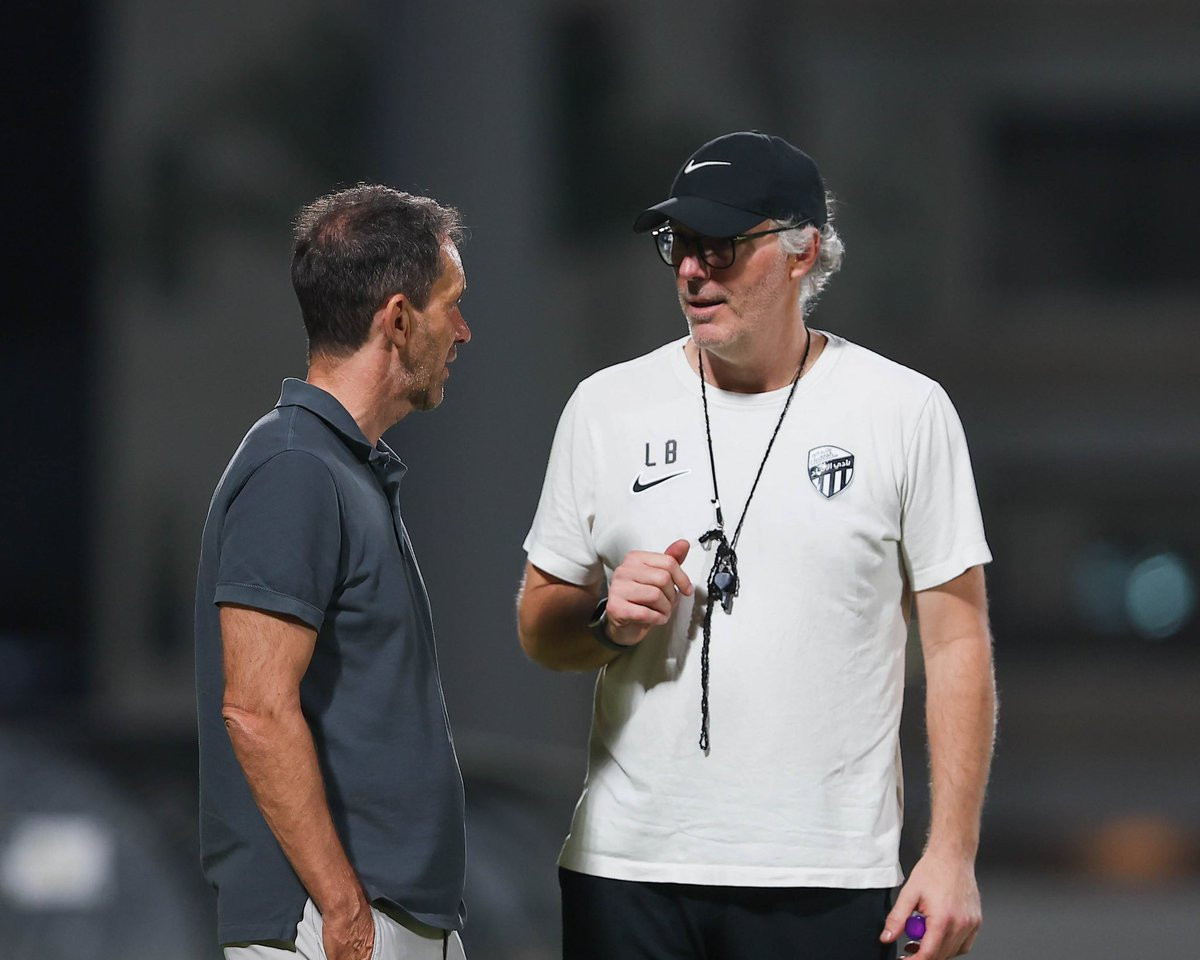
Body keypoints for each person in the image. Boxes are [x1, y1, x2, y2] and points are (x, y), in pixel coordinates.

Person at [517, 132, 996, 960]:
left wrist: (952, 855)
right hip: (625, 871)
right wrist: (605, 621)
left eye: (721, 247)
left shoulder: (904, 411)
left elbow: (957, 644)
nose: (691, 271)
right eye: (678, 245)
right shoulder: (604, 406)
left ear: (803, 250)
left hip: (826, 875)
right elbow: (539, 626)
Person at [195, 185, 472, 960]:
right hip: (332, 926)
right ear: (397, 319)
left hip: (382, 919)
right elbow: (255, 709)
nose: (463, 330)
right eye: (452, 305)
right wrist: (346, 912)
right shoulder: (294, 470)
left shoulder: (337, 467)